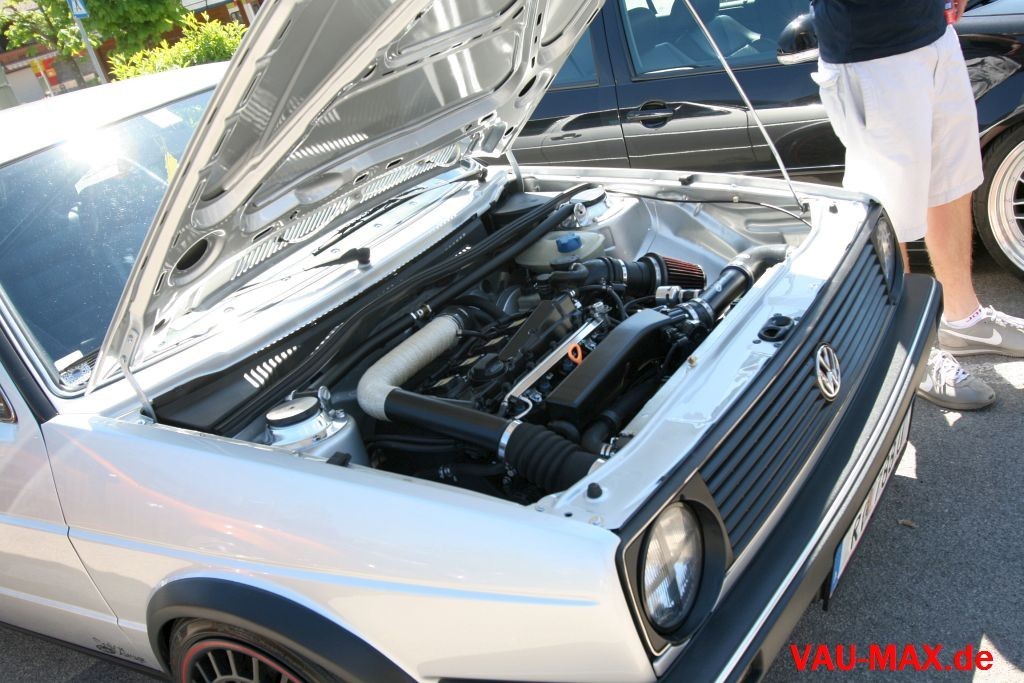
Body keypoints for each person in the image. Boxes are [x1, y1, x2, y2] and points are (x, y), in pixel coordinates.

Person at [810, 0, 1024, 410]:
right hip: (872, 56)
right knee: (888, 209)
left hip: (934, 36)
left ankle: (965, 320)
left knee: (952, 184)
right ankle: (909, 347)